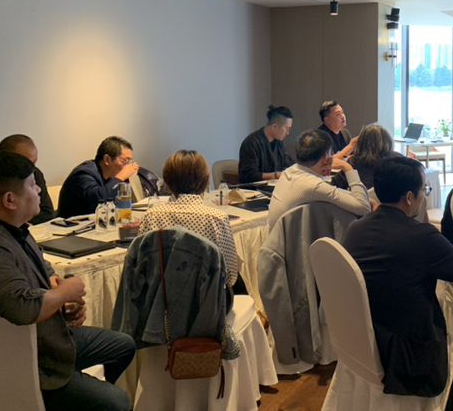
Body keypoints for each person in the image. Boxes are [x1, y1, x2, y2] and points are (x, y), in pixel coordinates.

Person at [0, 151, 135, 411]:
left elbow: (44, 275)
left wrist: (60, 303)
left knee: (123, 345)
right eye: (33, 185)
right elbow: (24, 307)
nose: (39, 191)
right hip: (25, 360)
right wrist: (67, 291)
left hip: (44, 339)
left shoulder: (14, 230)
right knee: (118, 402)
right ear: (10, 200)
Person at [342, 156, 453, 397]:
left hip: (362, 340)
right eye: (424, 190)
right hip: (409, 355)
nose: (425, 196)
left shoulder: (355, 229)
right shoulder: (421, 237)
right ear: (409, 197)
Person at [139, 150, 239, 290]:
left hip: (161, 298)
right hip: (206, 298)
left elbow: (141, 266)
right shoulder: (216, 218)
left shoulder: (151, 216)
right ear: (205, 180)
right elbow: (229, 275)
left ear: (167, 179)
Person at [268, 129, 371, 228]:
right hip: (287, 239)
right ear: (326, 158)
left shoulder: (289, 171)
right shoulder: (314, 186)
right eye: (331, 152)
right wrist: (347, 167)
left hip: (276, 236)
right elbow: (363, 207)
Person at [57, 136, 139, 218]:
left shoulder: (112, 176)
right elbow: (100, 201)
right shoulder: (83, 174)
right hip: (73, 224)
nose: (128, 165)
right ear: (107, 159)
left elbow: (124, 205)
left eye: (130, 161)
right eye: (125, 160)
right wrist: (121, 176)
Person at [332, 123, 400, 190]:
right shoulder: (398, 160)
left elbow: (336, 184)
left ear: (361, 142)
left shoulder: (354, 162)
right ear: (388, 141)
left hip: (361, 196)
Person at [238, 105, 295, 183]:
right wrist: (276, 175)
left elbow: (286, 164)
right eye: (287, 129)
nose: (287, 133)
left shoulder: (279, 142)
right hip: (253, 188)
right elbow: (250, 175)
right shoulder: (251, 142)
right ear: (275, 127)